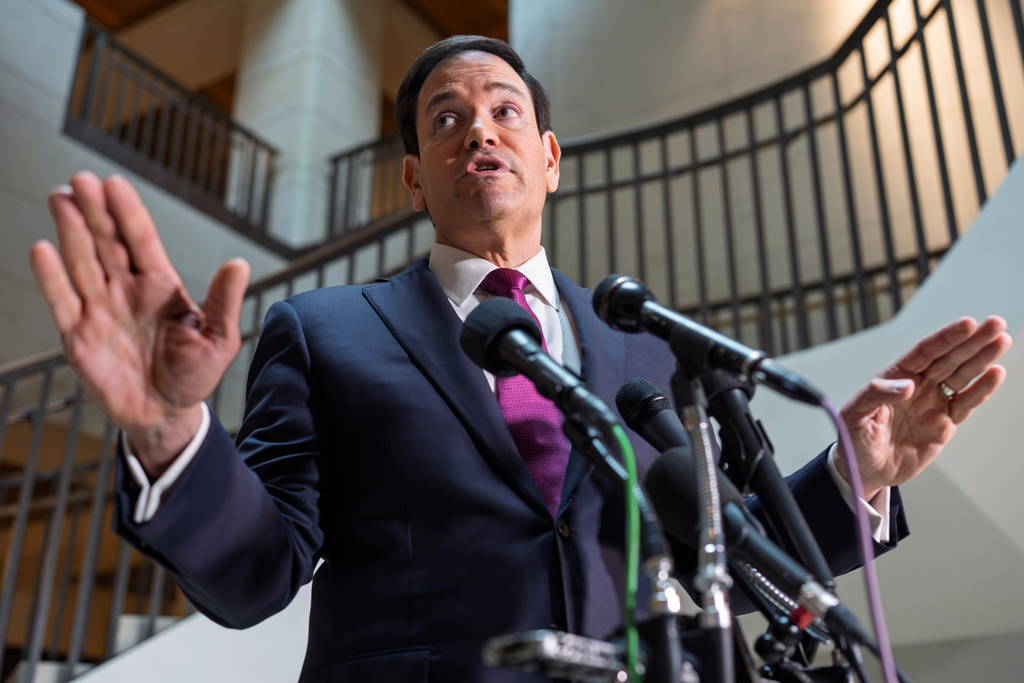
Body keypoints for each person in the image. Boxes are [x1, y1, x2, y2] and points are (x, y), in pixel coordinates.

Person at [29, 36, 1009, 682]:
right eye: (446, 118)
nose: (478, 132)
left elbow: (723, 548)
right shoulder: (324, 331)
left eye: (502, 112)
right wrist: (168, 433)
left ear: (548, 156)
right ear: (415, 174)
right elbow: (258, 572)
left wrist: (856, 471)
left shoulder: (643, 341)